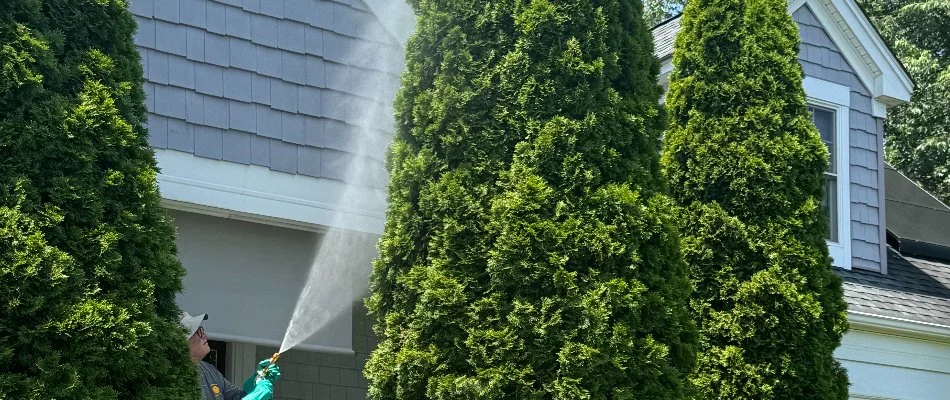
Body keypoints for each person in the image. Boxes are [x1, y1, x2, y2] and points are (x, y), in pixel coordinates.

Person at [181, 312, 281, 400]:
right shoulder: (176, 380)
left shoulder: (208, 369)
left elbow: (236, 397)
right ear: (181, 342)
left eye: (201, 329)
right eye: (197, 332)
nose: (204, 335)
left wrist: (257, 380)